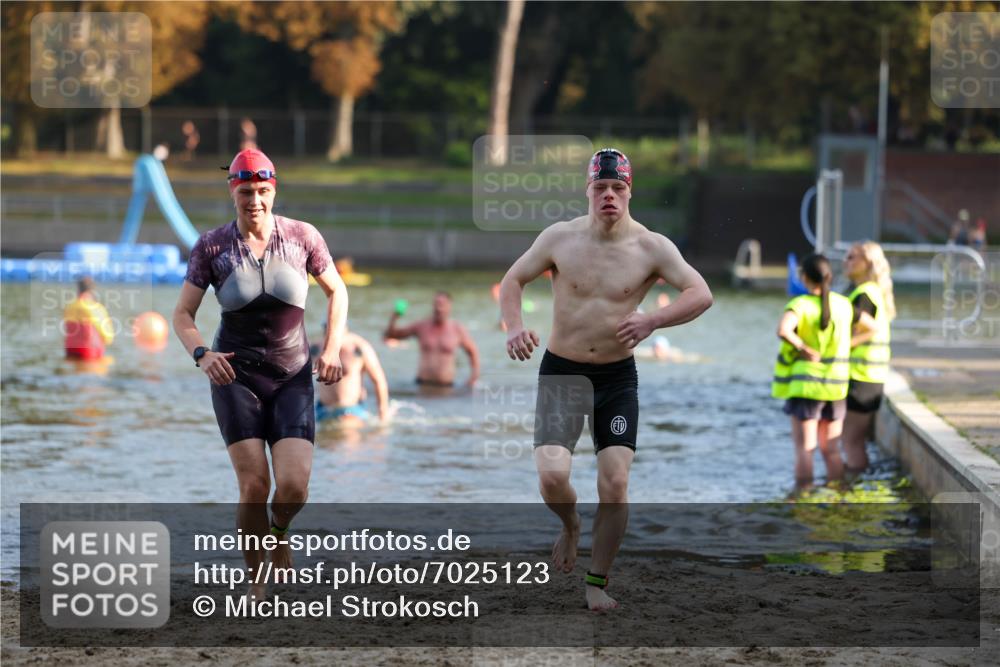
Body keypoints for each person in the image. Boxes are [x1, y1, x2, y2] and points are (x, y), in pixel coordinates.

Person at [499, 148, 713, 611]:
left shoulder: (652, 248)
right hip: (562, 371)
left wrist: (653, 321)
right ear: (588, 191)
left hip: (616, 378)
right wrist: (514, 327)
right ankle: (571, 525)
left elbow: (701, 294)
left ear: (630, 191)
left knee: (614, 484)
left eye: (618, 188)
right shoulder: (559, 238)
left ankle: (596, 583)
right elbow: (513, 280)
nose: (609, 196)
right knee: (551, 478)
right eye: (601, 188)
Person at [172, 148, 347, 599]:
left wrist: (331, 348)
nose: (255, 201)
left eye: (262, 191)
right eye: (246, 192)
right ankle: (256, 580)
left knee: (294, 487)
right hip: (236, 378)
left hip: (292, 377)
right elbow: (183, 314)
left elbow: (337, 292)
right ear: (232, 192)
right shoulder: (212, 247)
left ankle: (278, 534)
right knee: (253, 485)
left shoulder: (302, 236)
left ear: (274, 191)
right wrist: (202, 354)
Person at [772, 254, 875, 490]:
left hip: (806, 387)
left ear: (804, 277)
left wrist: (803, 348)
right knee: (831, 449)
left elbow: (783, 330)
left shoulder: (800, 305)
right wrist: (849, 344)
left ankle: (803, 497)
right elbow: (872, 327)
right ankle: (836, 493)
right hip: (836, 387)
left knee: (805, 449)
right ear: (829, 276)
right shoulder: (843, 305)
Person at [841, 242, 895, 473]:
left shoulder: (864, 294)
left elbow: (869, 329)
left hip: (861, 378)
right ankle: (856, 484)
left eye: (852, 257)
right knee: (854, 441)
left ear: (868, 263)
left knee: (851, 441)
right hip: (870, 378)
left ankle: (852, 487)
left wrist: (840, 348)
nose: (845, 261)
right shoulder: (873, 291)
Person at [383, 292, 480, 388]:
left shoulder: (457, 329)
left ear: (449, 306)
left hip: (447, 387)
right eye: (436, 304)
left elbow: (472, 351)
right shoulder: (421, 326)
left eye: (442, 304)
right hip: (421, 385)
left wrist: (474, 377)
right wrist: (394, 317)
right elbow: (391, 335)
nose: (439, 308)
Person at [315, 325, 390, 426]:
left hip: (351, 410)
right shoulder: (316, 347)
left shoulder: (359, 347)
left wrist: (383, 412)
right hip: (322, 408)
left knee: (346, 428)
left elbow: (379, 380)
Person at [64, 276, 115, 360]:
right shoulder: (96, 308)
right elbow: (108, 336)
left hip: (70, 349)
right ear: (92, 290)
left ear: (78, 289)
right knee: (108, 362)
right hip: (89, 351)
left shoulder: (70, 307)